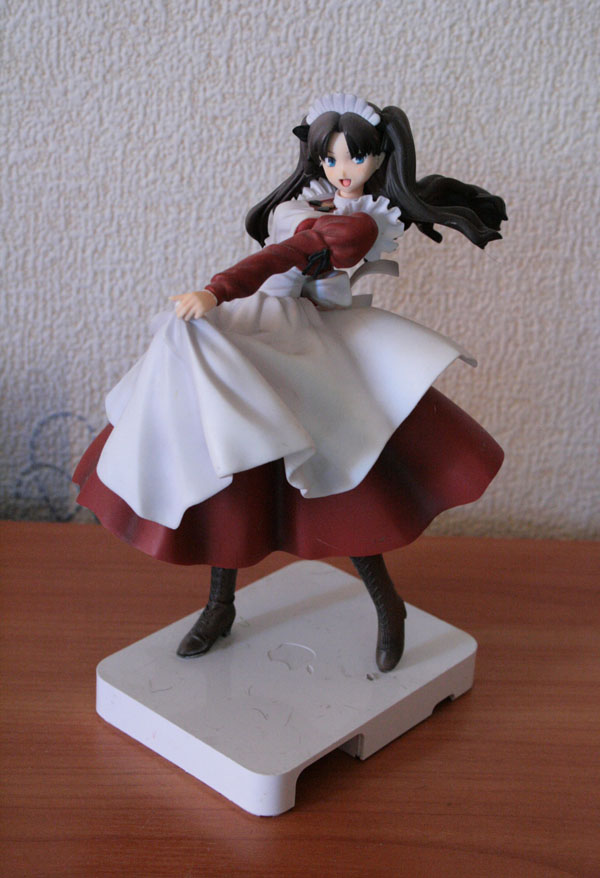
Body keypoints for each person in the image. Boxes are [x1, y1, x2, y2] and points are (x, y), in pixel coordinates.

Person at [74, 94, 506, 672]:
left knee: (345, 476)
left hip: (297, 337)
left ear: (380, 158)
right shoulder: (315, 201)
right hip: (258, 326)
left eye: (355, 158)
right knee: (228, 468)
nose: (342, 169)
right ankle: (220, 604)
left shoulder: (357, 222)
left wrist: (217, 290)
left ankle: (387, 604)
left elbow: (286, 254)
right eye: (330, 158)